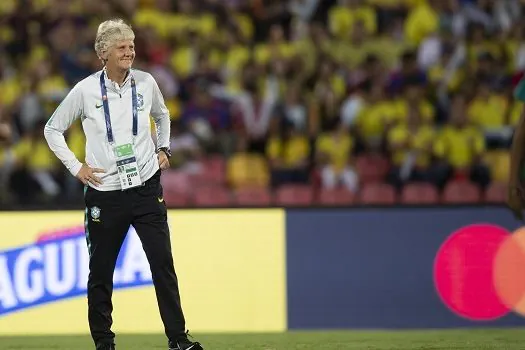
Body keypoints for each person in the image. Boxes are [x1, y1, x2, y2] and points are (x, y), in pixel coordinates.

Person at [43, 19, 203, 350]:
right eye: (122, 47)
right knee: (101, 273)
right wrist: (76, 167)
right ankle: (104, 342)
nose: (130, 51)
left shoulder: (146, 83)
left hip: (146, 188)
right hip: (105, 194)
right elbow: (52, 129)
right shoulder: (86, 90)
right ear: (104, 53)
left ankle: (178, 339)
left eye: (131, 45)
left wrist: (164, 147)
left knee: (163, 265)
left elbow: (162, 115)